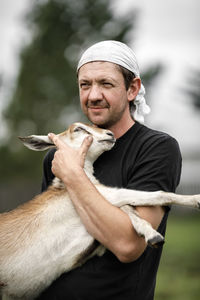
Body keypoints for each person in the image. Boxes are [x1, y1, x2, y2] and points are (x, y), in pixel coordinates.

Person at [37, 40, 182, 300]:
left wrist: (72, 175)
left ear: (132, 89)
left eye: (106, 84)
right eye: (85, 85)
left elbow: (127, 245)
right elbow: (45, 240)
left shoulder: (156, 149)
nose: (93, 95)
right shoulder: (57, 157)